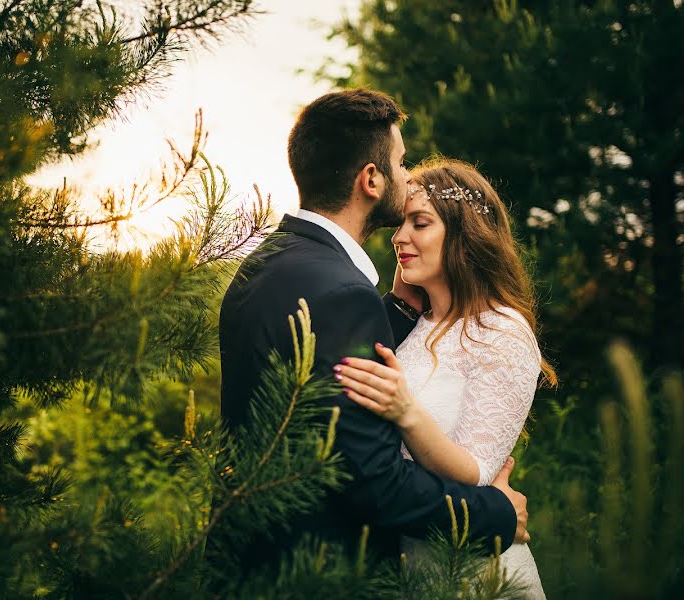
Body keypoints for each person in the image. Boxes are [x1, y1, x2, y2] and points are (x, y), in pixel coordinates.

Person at [218, 89, 529, 574]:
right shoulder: (344, 294)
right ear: (370, 179)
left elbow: (326, 373)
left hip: (249, 559)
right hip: (322, 568)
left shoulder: (264, 263)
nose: (406, 179)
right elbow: (375, 483)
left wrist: (402, 307)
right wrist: (499, 515)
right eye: (401, 164)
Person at [336, 157, 556, 598]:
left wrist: (406, 411)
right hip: (410, 564)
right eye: (401, 224)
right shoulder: (418, 326)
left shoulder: (501, 331)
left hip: (479, 573)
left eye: (420, 223)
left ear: (464, 233)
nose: (399, 237)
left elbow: (475, 476)